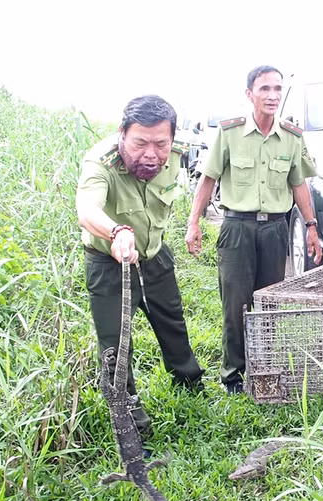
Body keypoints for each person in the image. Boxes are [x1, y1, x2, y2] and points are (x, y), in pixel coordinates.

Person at [185, 65, 322, 395]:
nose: (272, 95)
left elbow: (299, 183)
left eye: (277, 88)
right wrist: (193, 222)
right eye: (264, 89)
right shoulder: (230, 133)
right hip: (237, 229)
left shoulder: (291, 137)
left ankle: (266, 369)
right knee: (236, 305)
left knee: (268, 303)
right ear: (250, 94)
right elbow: (208, 179)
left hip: (275, 229)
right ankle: (233, 376)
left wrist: (312, 226)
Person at [76, 94, 204, 444]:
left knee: (173, 323)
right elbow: (86, 208)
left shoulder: (174, 155)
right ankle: (130, 416)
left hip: (155, 257)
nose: (151, 154)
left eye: (160, 143)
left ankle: (190, 384)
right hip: (110, 262)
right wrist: (116, 232)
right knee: (116, 344)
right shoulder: (100, 162)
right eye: (140, 143)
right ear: (122, 133)